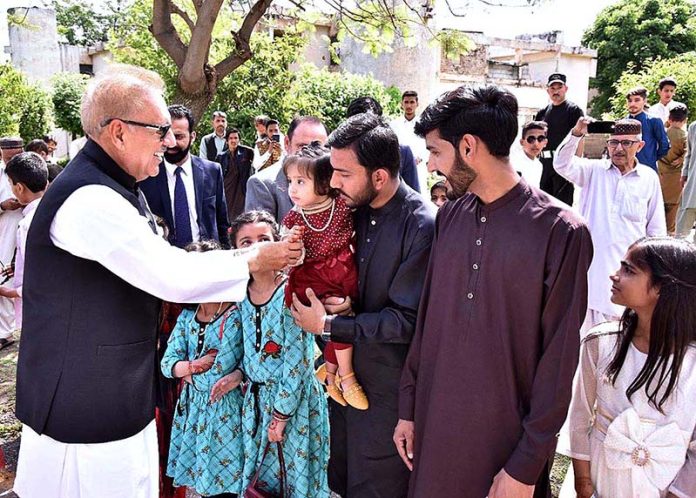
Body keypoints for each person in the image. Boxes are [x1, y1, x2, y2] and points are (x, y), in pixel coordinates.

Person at [13, 64, 302, 498]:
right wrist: (255, 258)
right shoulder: (88, 199)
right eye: (159, 129)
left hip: (111, 391)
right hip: (84, 404)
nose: (169, 141)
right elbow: (170, 274)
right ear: (119, 131)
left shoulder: (114, 184)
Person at [395, 84, 592, 498]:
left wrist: (526, 464)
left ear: (468, 147)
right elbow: (428, 321)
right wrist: (408, 410)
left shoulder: (561, 231)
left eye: (436, 152)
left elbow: (559, 360)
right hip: (434, 431)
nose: (432, 167)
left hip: (504, 448)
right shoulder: (449, 216)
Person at [291, 113, 436, 498]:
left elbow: (406, 321)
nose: (334, 182)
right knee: (338, 479)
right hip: (338, 383)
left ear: (380, 177)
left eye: (343, 173)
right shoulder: (347, 212)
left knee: (378, 486)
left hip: (388, 393)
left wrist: (329, 326)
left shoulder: (421, 225)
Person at [560, 237, 696, 498]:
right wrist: (584, 484)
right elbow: (579, 417)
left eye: (628, 270)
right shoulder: (600, 343)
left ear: (662, 287)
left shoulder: (691, 361)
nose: (614, 275)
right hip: (601, 482)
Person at [230, 211, 329, 498]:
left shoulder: (290, 292)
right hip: (256, 404)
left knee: (294, 479)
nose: (257, 247)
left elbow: (298, 362)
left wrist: (282, 414)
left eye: (264, 240)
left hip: (293, 405)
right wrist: (236, 376)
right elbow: (244, 352)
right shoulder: (240, 295)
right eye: (246, 242)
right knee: (260, 482)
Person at [554, 118, 666, 335]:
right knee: (587, 345)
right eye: (613, 142)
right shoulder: (593, 172)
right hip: (592, 277)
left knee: (622, 345)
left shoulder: (649, 179)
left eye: (626, 143)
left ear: (640, 146)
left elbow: (655, 230)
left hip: (630, 278)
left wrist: (654, 274)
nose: (618, 149)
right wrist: (577, 132)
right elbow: (561, 164)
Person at [282, 144, 367, 410]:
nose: (292, 189)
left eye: (300, 182)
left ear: (324, 182)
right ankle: (347, 377)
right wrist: (293, 246)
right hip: (315, 278)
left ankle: (330, 374)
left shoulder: (341, 205)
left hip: (343, 270)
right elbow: (291, 259)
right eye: (290, 181)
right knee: (337, 320)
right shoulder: (294, 219)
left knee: (341, 320)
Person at [161, 239, 245, 498]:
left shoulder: (234, 315)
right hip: (193, 413)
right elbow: (167, 364)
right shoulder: (187, 317)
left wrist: (186, 371)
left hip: (226, 411)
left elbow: (219, 371)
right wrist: (193, 365)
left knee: (228, 483)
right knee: (204, 485)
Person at [140, 104, 230, 248]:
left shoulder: (212, 171)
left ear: (192, 136)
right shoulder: (146, 175)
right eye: (165, 135)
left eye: (178, 136)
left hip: (207, 259)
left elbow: (222, 223)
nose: (171, 143)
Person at [245, 115, 328, 222]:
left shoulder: (334, 181)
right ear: (287, 143)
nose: (310, 154)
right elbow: (259, 236)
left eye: (318, 147)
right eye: (303, 147)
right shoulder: (262, 184)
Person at [0, 152, 48, 332]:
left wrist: (9, 292)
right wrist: (17, 267)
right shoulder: (52, 213)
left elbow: (40, 277)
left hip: (36, 312)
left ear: (19, 188)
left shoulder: (27, 225)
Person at [346, 96, 420, 192]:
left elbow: (414, 197)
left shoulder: (402, 153)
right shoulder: (339, 155)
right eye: (358, 127)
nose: (364, 133)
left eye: (369, 126)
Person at [535, 72, 585, 205]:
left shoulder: (573, 110)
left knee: (562, 206)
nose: (556, 91)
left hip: (564, 165)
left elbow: (580, 137)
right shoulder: (542, 113)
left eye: (559, 87)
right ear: (548, 90)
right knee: (543, 205)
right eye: (553, 88)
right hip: (544, 164)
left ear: (565, 89)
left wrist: (576, 163)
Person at [0, 137, 24, 351]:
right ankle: (5, 333)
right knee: (5, 278)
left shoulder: (30, 168)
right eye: (8, 158)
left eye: (16, 156)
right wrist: (3, 206)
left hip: (28, 228)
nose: (12, 161)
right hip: (5, 233)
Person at [390, 90, 429, 196]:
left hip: (419, 166)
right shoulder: (394, 125)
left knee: (419, 195)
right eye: (406, 102)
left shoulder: (424, 124)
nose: (409, 105)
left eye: (412, 102)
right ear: (401, 104)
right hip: (399, 166)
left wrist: (420, 158)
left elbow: (429, 145)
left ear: (417, 104)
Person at [658, 105, 688, 234]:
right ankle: (669, 234)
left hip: (660, 172)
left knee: (659, 206)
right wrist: (681, 159)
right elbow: (688, 153)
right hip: (676, 176)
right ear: (685, 120)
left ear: (669, 119)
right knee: (673, 207)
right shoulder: (684, 136)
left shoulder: (662, 133)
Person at [626, 86, 670, 172]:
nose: (632, 104)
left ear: (644, 101)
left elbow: (664, 145)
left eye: (637, 100)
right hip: (625, 169)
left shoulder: (654, 121)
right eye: (630, 101)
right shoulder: (622, 122)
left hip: (648, 169)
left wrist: (651, 158)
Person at [217, 127, 254, 221]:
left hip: (241, 190)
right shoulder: (221, 157)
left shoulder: (247, 152)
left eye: (236, 138)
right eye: (231, 138)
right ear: (226, 141)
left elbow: (258, 161)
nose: (233, 140)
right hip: (227, 190)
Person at [510, 121, 547, 188]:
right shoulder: (513, 163)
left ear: (545, 142)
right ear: (522, 142)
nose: (536, 143)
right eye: (531, 139)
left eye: (540, 139)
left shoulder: (538, 165)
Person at [677, 118, 696, 240]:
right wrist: (684, 173)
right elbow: (689, 154)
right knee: (681, 232)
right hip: (693, 183)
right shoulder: (693, 127)